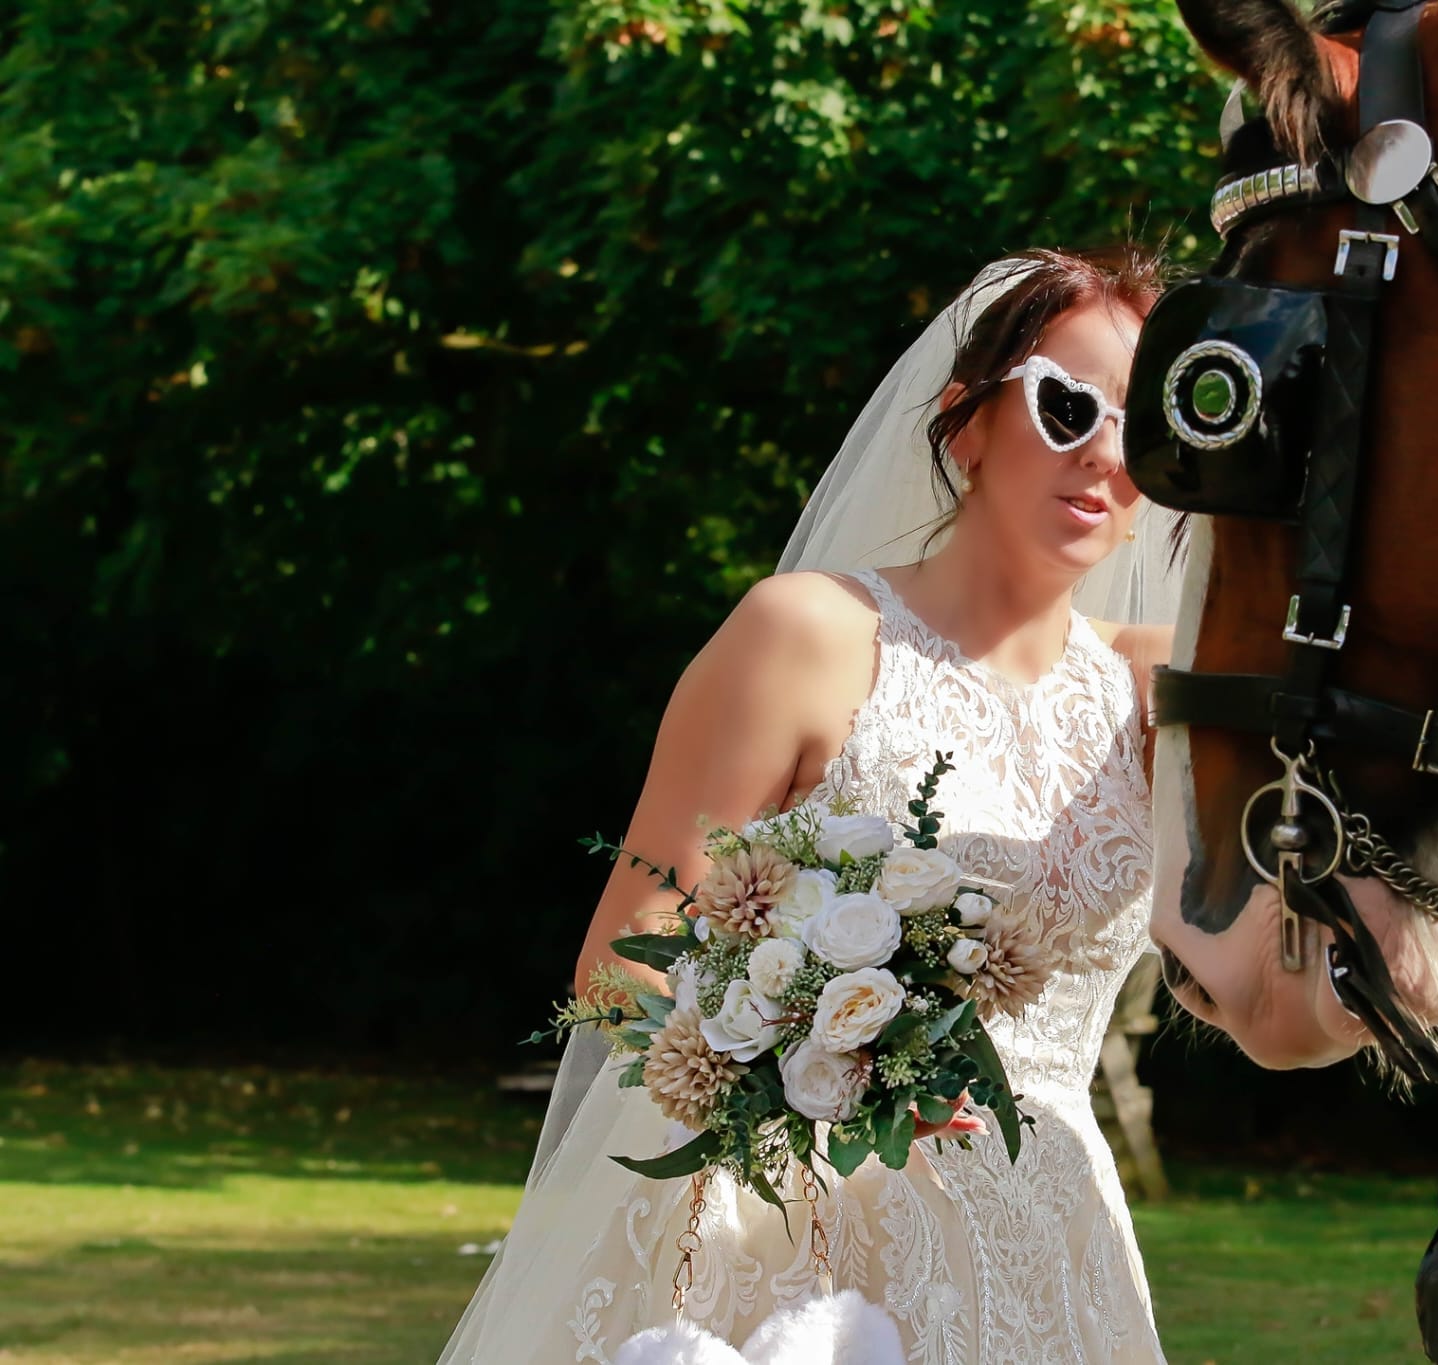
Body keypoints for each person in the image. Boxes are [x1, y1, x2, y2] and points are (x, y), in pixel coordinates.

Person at [440, 246, 1182, 1365]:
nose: (1106, 455)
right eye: (1067, 406)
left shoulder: (1158, 689)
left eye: (1146, 429)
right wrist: (816, 1055)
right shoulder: (808, 635)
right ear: (967, 423)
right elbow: (621, 963)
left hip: (1052, 1254)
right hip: (790, 1251)